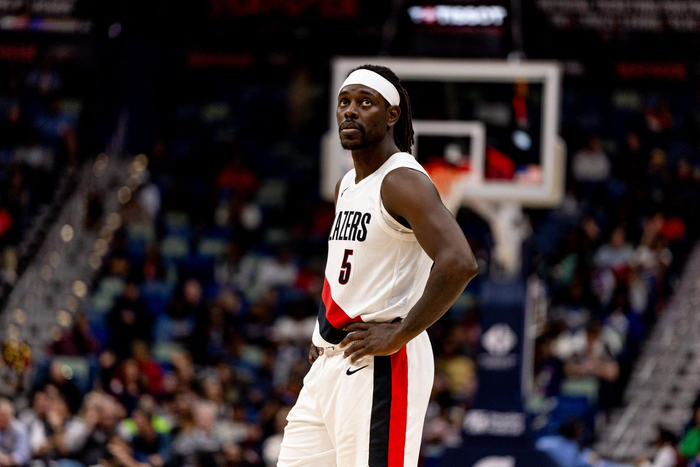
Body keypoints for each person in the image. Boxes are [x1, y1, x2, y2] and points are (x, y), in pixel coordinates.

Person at [277, 65, 479, 467]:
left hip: (381, 363)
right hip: (331, 363)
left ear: (392, 115)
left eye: (365, 102)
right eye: (344, 102)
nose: (350, 111)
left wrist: (401, 333)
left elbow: (459, 261)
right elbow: (349, 271)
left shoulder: (402, 180)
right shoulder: (347, 185)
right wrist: (325, 332)